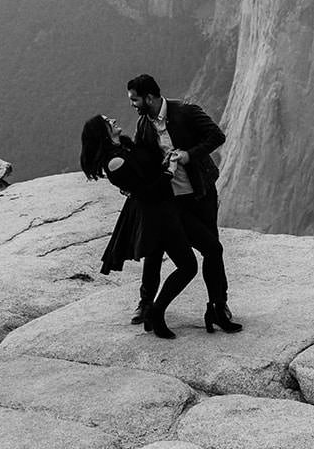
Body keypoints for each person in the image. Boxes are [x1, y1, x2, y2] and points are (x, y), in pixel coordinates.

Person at [126, 73, 242, 334]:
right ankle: (146, 304)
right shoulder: (144, 126)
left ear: (150, 97)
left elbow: (216, 136)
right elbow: (141, 161)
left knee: (212, 248)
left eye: (135, 100)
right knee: (155, 249)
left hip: (199, 194)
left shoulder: (185, 112)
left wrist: (190, 155)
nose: (132, 104)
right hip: (170, 201)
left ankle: (218, 306)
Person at [79, 113, 198, 339]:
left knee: (155, 257)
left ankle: (148, 307)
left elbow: (145, 175)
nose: (113, 120)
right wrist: (170, 171)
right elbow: (148, 192)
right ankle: (155, 310)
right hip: (156, 216)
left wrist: (163, 164)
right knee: (188, 266)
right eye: (107, 122)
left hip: (160, 211)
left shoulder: (124, 148)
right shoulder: (114, 162)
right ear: (102, 133)